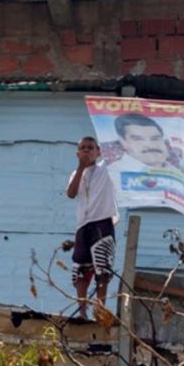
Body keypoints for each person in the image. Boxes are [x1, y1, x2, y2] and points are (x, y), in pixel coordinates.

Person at [65, 136, 119, 320]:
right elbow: (71, 194)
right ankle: (82, 312)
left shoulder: (105, 169)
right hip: (83, 225)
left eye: (90, 147)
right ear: (77, 153)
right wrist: (81, 167)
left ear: (98, 152)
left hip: (102, 221)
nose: (87, 150)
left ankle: (100, 309)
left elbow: (118, 152)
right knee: (80, 269)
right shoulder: (76, 174)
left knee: (102, 269)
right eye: (83, 148)